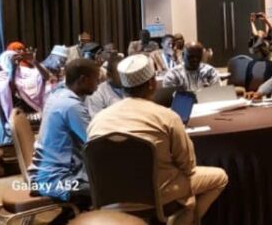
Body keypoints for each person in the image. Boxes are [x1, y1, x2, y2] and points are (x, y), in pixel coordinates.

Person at [88, 54, 228, 225]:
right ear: (152, 83)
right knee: (220, 177)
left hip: (110, 199)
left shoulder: (98, 119)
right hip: (157, 195)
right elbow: (188, 166)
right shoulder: (167, 117)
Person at [27, 59, 101, 224]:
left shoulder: (58, 94)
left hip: (41, 173)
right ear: (83, 80)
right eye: (96, 79)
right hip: (56, 180)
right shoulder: (71, 106)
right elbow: (96, 143)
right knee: (110, 188)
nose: (98, 85)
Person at [0, 42, 52, 127]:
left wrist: (34, 61)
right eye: (18, 50)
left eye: (22, 49)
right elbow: (11, 88)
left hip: (39, 106)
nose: (21, 52)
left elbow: (47, 77)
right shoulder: (3, 78)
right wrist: (12, 68)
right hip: (25, 113)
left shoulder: (23, 70)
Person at [87, 52, 125, 116]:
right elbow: (96, 119)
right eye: (120, 74)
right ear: (109, 75)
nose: (125, 76)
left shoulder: (133, 88)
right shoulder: (98, 94)